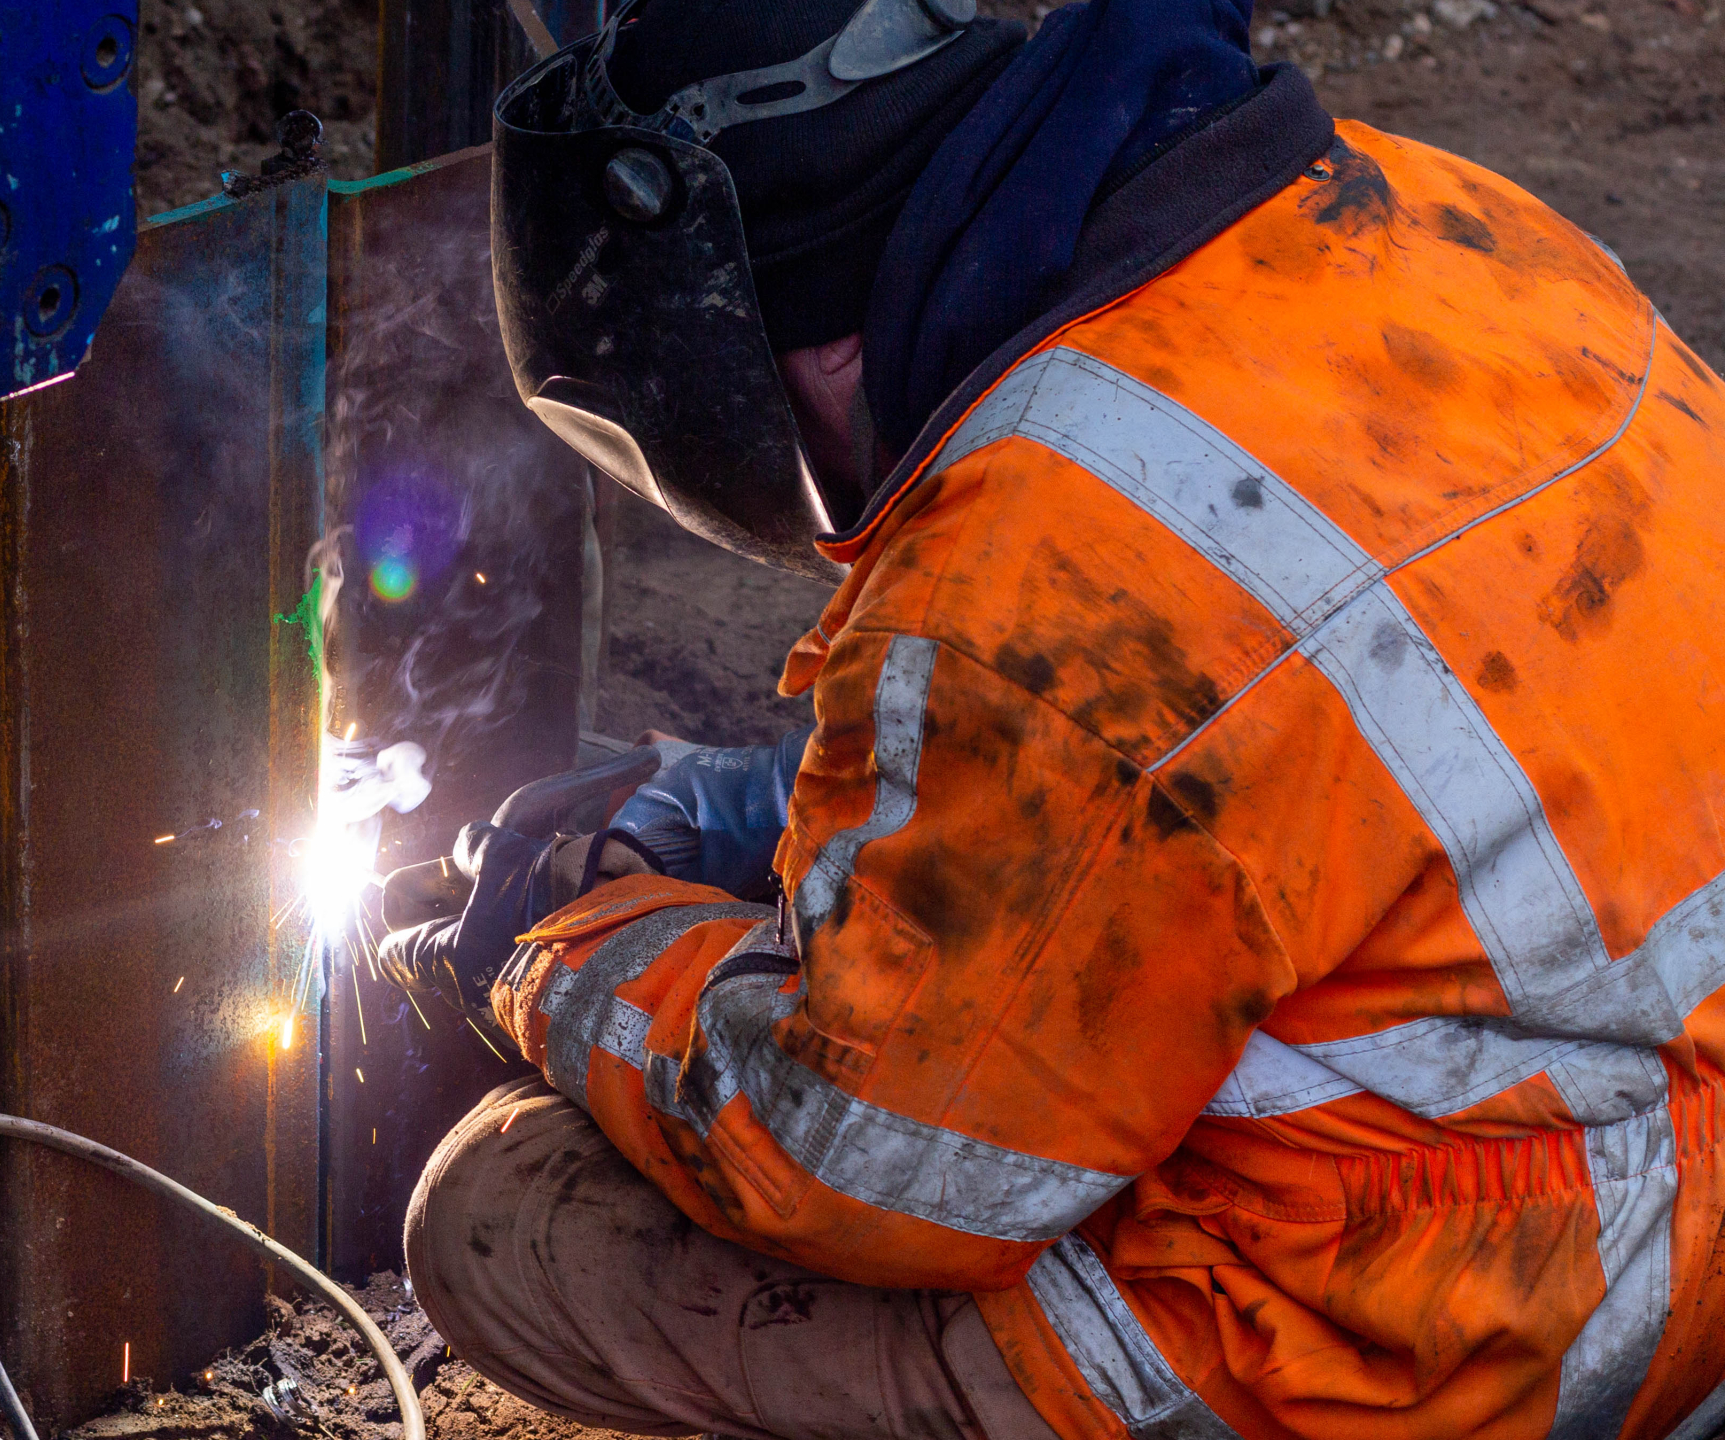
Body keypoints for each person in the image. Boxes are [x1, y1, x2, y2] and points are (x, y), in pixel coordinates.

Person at [371, 0, 1725, 1434]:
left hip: (1499, 1318)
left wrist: (559, 947)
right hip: (1677, 1164)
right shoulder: (1406, 210)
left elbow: (859, 1167)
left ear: (765, 341)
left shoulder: (1039, 559)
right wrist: (775, 805)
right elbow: (1306, 726)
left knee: (502, 1212)